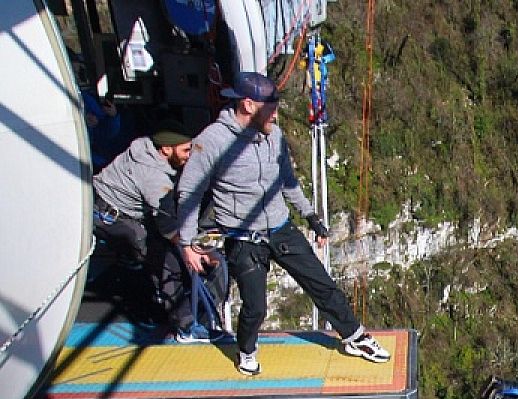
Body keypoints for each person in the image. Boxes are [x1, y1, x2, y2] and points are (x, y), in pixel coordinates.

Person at [176, 71, 389, 376]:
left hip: (280, 227)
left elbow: (287, 181)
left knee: (321, 284)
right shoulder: (212, 141)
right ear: (248, 105)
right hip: (243, 237)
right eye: (270, 107)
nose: (275, 114)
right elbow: (189, 191)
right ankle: (247, 351)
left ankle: (355, 336)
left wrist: (311, 216)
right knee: (255, 307)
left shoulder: (273, 135)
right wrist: (187, 244)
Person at [92, 121, 226, 341]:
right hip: (111, 219)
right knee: (163, 258)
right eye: (185, 150)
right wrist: (192, 248)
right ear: (166, 149)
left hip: (107, 203)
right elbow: (168, 228)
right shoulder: (153, 178)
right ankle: (185, 325)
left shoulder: (145, 147)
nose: (189, 155)